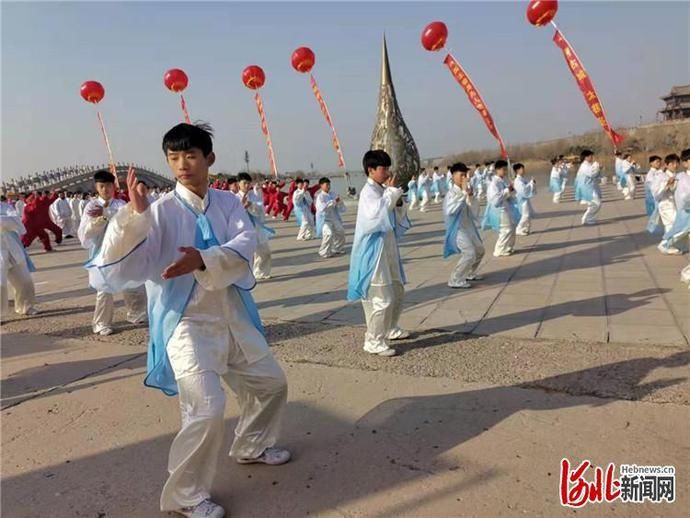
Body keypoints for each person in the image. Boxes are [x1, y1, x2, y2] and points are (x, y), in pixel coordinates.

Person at [86, 123, 290, 518]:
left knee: (271, 384)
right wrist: (133, 218)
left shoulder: (228, 203)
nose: (182, 165)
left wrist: (203, 258)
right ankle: (186, 495)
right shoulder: (157, 211)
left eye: (190, 156)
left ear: (209, 159)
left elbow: (245, 241)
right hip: (187, 324)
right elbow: (123, 265)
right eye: (174, 158)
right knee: (206, 408)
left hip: (230, 316)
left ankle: (251, 445)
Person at [348, 150, 410, 357]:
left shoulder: (382, 190)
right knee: (381, 297)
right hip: (373, 252)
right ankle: (374, 340)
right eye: (383, 168)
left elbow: (394, 214)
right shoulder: (368, 193)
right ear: (371, 170)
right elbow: (375, 219)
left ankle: (390, 328)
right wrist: (392, 194)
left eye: (387, 168)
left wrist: (398, 201)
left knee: (397, 289)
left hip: (388, 248)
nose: (387, 172)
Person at [78, 170, 148, 336]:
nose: (106, 190)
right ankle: (101, 323)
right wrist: (100, 220)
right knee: (104, 289)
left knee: (132, 283)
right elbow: (86, 233)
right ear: (96, 187)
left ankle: (136, 314)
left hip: (122, 250)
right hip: (102, 253)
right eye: (102, 186)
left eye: (109, 186)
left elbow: (127, 220)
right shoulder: (92, 206)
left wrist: (107, 214)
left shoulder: (120, 204)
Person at [443, 163, 484, 289]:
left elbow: (474, 211)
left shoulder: (466, 191)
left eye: (466, 175)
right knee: (469, 253)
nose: (464, 178)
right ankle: (455, 279)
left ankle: (470, 272)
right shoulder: (451, 194)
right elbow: (450, 211)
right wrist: (463, 194)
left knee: (480, 251)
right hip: (458, 229)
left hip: (469, 227)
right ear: (454, 175)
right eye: (461, 175)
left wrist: (470, 196)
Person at [1, 196, 37, 317]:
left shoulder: (5, 206)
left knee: (25, 280)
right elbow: (10, 221)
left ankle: (25, 306)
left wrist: (5, 222)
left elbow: (16, 221)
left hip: (12, 247)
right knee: (0, 284)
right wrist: (6, 222)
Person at [237, 172, 274, 279]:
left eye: (249, 183)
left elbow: (260, 210)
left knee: (265, 252)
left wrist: (250, 205)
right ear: (239, 184)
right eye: (244, 183)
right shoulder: (234, 198)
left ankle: (260, 272)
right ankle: (246, 276)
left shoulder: (253, 196)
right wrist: (241, 206)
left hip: (256, 228)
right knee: (246, 256)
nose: (247, 186)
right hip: (243, 231)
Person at [481, 160, 519, 257]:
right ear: (497, 170)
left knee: (511, 228)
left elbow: (506, 194)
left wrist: (511, 191)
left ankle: (507, 247)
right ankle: (499, 249)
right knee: (506, 229)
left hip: (506, 207)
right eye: (503, 169)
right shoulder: (493, 183)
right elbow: (495, 199)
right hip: (499, 210)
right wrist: (507, 190)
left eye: (506, 169)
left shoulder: (501, 181)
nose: (505, 172)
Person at [653, 154, 681, 255]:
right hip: (666, 205)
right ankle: (665, 244)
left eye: (677, 163)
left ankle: (668, 245)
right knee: (676, 224)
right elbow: (656, 193)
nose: (675, 165)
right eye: (672, 163)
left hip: (675, 204)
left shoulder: (678, 175)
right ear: (666, 165)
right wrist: (667, 185)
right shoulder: (661, 176)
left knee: (670, 226)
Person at [315, 177, 346, 258]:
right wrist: (333, 202)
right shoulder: (320, 197)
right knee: (328, 233)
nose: (328, 186)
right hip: (325, 219)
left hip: (334, 217)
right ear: (321, 185)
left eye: (329, 184)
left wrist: (339, 202)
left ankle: (338, 248)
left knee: (340, 231)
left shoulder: (333, 194)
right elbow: (322, 208)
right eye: (327, 185)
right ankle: (323, 252)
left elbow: (340, 206)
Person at [577, 150, 602, 225]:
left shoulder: (588, 165)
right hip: (586, 187)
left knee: (593, 203)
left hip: (589, 186)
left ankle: (589, 218)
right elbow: (592, 174)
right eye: (590, 156)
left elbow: (595, 174)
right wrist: (597, 167)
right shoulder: (584, 166)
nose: (592, 157)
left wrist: (598, 168)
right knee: (597, 203)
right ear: (586, 157)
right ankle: (586, 218)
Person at [513, 163, 536, 236]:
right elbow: (524, 190)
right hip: (522, 200)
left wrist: (532, 183)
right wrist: (531, 183)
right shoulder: (517, 180)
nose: (523, 170)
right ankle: (519, 228)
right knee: (526, 215)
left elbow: (527, 186)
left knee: (528, 214)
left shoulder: (522, 179)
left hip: (525, 199)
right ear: (518, 170)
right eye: (522, 169)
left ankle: (526, 228)